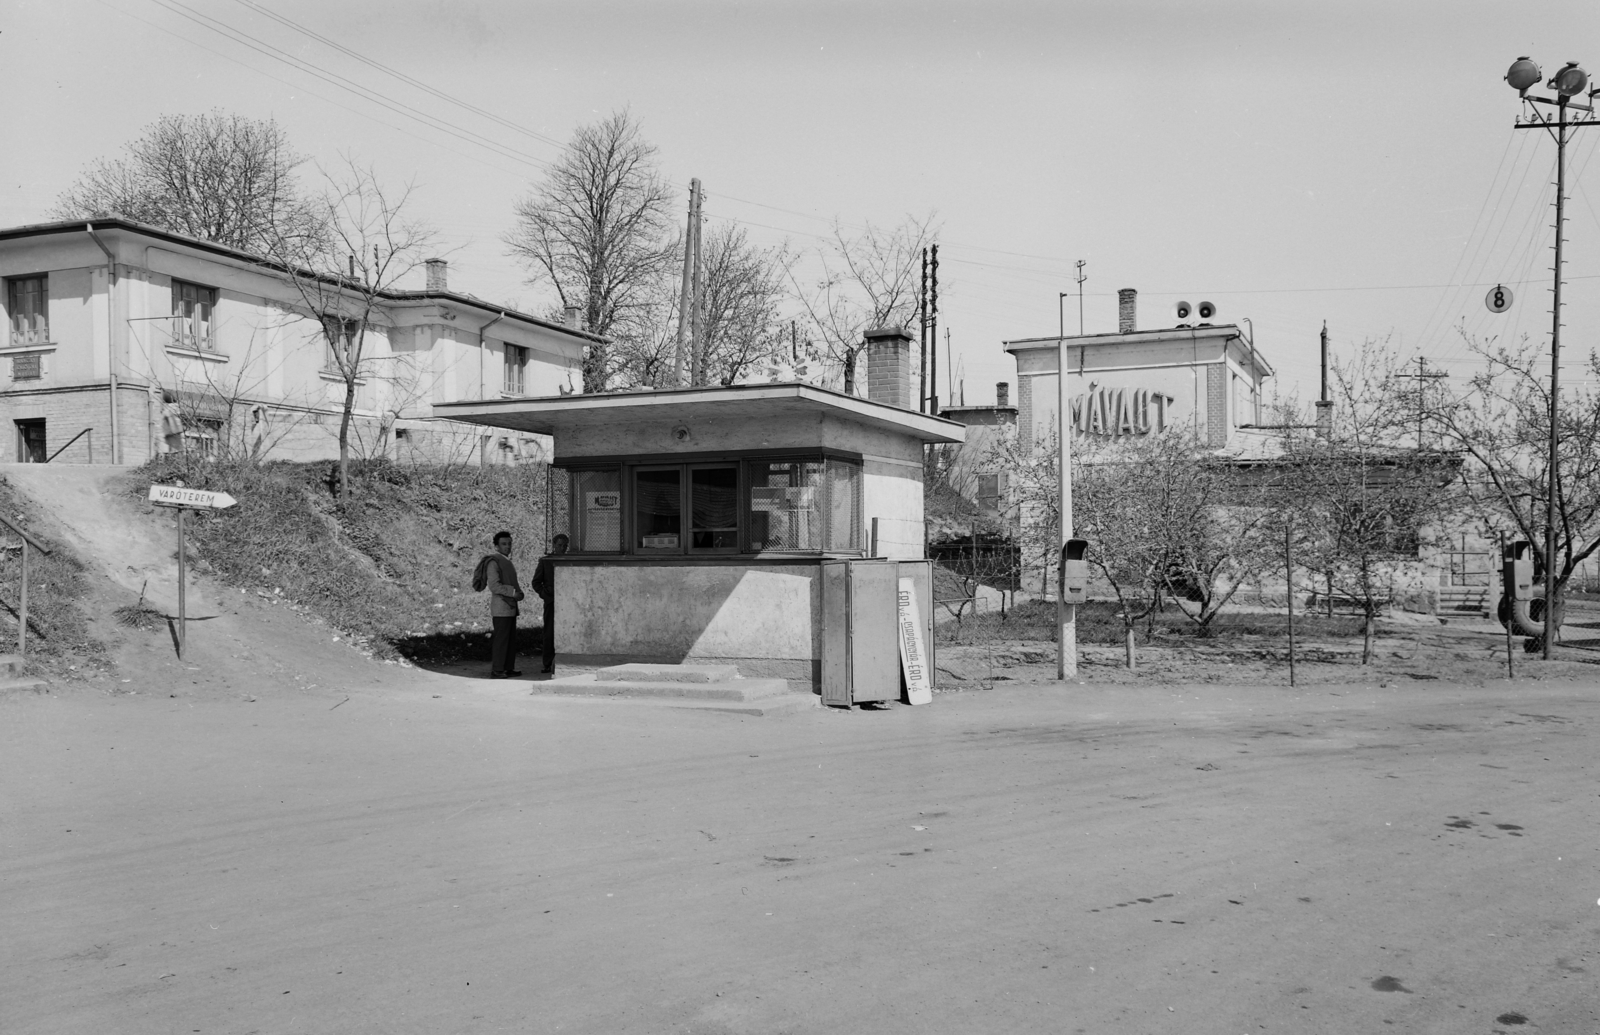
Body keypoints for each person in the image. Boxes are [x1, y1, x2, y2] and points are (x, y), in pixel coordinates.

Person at [484, 531, 524, 678]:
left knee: (510, 640)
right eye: (503, 544)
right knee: (501, 640)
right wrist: (513, 593)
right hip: (501, 607)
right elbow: (494, 586)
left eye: (509, 544)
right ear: (496, 546)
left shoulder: (506, 562)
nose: (507, 547)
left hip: (510, 607)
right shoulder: (494, 563)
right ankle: (498, 669)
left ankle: (508, 667)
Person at [530, 533, 569, 675]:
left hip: (566, 602)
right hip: (551, 601)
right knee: (549, 632)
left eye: (565, 546)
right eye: (560, 545)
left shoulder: (569, 560)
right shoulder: (546, 561)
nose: (562, 548)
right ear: (553, 545)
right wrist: (546, 594)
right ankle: (547, 663)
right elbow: (536, 582)